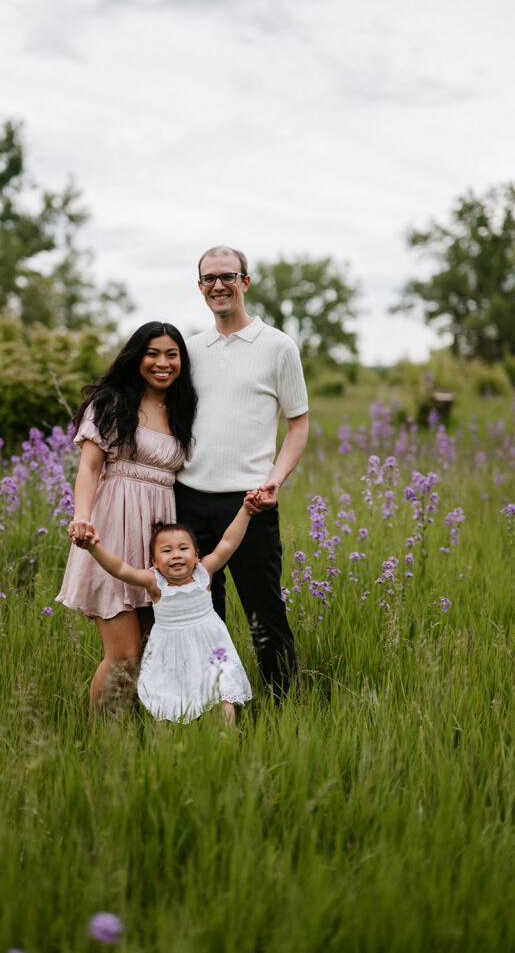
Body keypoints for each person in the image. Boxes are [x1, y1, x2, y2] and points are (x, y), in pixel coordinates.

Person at [174, 245, 309, 698]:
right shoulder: (189, 350)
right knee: (200, 612)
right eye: (209, 279)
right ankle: (209, 701)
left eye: (227, 276)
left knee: (263, 612)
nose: (218, 285)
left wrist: (273, 481)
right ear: (200, 288)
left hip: (249, 503)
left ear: (245, 282)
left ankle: (281, 704)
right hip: (188, 500)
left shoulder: (278, 347)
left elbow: (298, 424)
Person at [56, 321, 197, 710]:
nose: (162, 363)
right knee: (124, 657)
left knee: (152, 650)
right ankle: (98, 740)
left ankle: (135, 731)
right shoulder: (113, 402)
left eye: (172, 354)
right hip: (115, 527)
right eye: (153, 353)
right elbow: (88, 468)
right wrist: (81, 518)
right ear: (137, 357)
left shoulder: (183, 409)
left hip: (159, 537)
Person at [81, 503, 255, 723]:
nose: (176, 556)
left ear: (196, 555)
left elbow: (228, 542)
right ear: (154, 562)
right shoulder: (155, 583)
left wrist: (245, 511)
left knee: (222, 695)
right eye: (166, 551)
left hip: (211, 647)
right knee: (173, 700)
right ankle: (174, 742)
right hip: (171, 652)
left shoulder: (204, 573)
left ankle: (227, 742)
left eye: (183, 549)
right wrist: (93, 548)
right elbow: (120, 569)